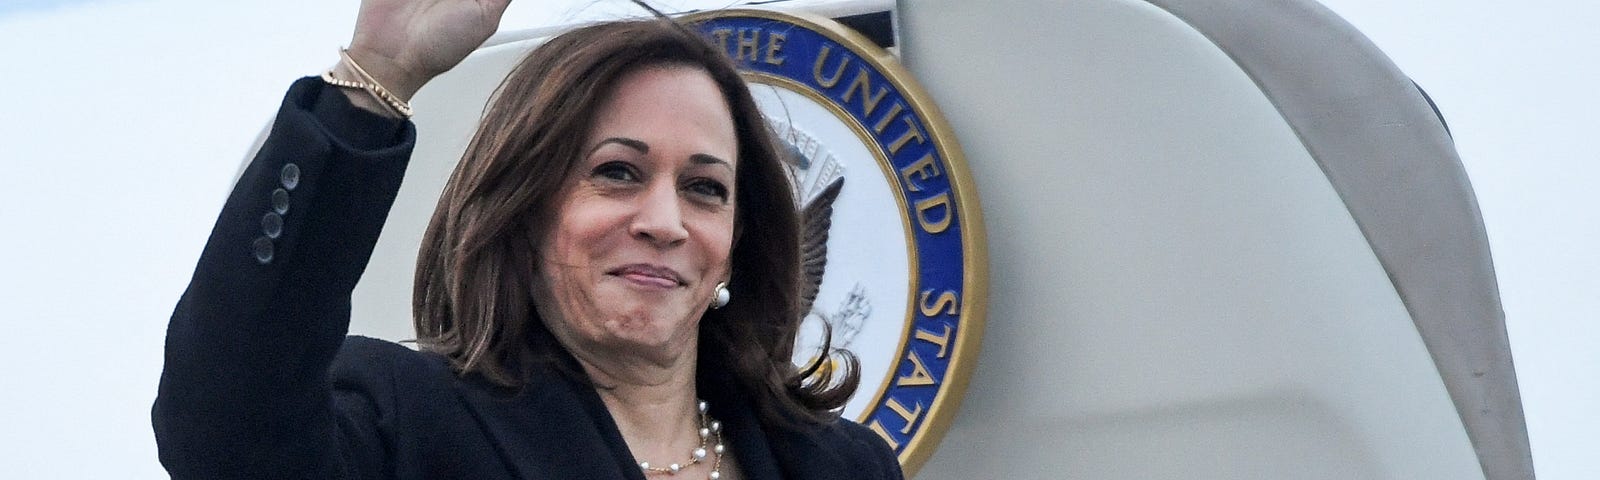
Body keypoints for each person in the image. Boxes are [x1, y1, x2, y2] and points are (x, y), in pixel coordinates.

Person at [151, 0, 903, 478]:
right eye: (617, 172)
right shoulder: (407, 425)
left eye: (704, 188)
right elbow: (225, 432)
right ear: (523, 209)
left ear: (736, 242)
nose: (665, 222)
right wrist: (376, 76)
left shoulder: (842, 465)